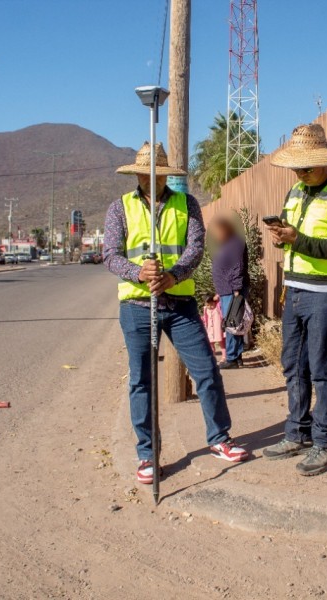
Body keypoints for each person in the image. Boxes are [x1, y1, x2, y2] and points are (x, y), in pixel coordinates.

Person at [103, 142, 249, 485]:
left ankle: (219, 438)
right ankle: (147, 454)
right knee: (142, 381)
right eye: (145, 172)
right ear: (138, 174)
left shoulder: (188, 204)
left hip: (179, 304)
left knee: (207, 371)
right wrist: (138, 272)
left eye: (156, 173)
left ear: (164, 175)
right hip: (137, 307)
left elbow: (195, 248)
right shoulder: (119, 209)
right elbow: (110, 254)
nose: (150, 177)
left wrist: (173, 275)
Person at [261, 124, 327, 476]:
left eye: (306, 167)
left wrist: (298, 239)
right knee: (293, 365)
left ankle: (326, 442)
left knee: (321, 369)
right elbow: (293, 237)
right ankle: (297, 433)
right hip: (296, 290)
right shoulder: (296, 192)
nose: (300, 173)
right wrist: (281, 237)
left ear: (324, 162)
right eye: (296, 168)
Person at [209, 214, 249, 369]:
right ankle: (236, 357)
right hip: (227, 290)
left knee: (233, 323)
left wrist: (237, 289)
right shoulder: (227, 244)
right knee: (234, 323)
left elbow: (237, 267)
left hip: (233, 291)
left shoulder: (235, 243)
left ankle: (232, 358)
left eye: (217, 231)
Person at [201, 293, 226, 361]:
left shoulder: (218, 307)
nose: (210, 306)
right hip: (210, 329)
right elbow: (205, 318)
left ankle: (224, 356)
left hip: (218, 328)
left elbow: (221, 299)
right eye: (207, 305)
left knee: (221, 343)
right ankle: (213, 356)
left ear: (215, 302)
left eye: (211, 304)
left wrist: (217, 296)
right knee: (211, 343)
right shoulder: (206, 309)